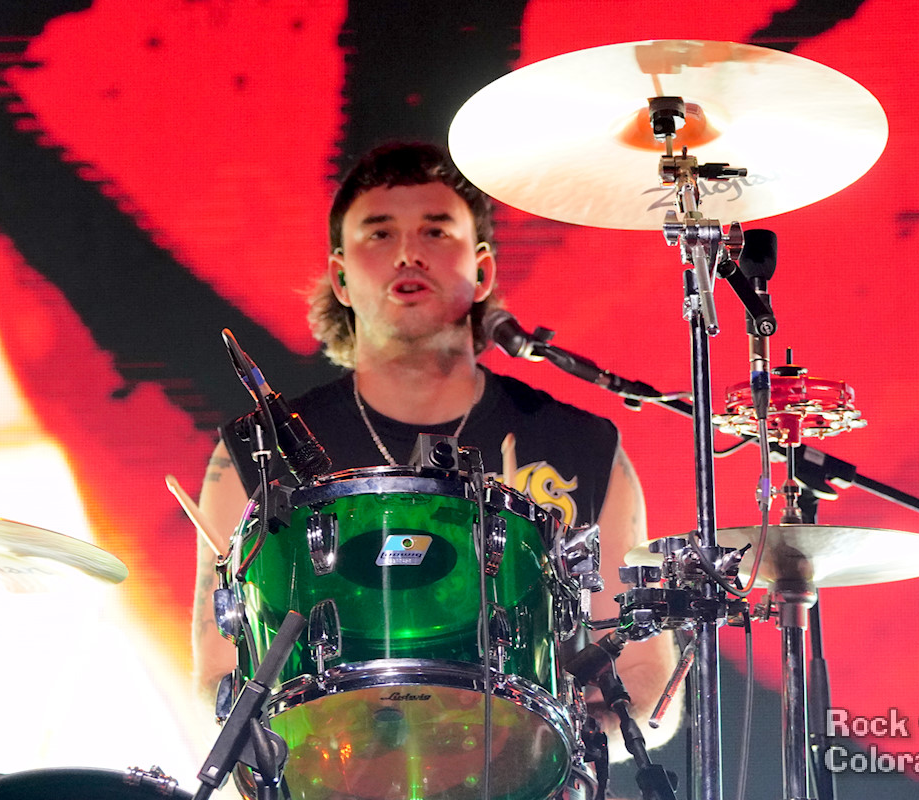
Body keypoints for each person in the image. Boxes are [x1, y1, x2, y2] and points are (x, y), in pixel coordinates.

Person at [193, 142, 680, 762]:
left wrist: (544, 750)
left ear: (484, 271)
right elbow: (219, 674)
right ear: (340, 278)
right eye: (379, 233)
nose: (408, 253)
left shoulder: (581, 445)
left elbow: (642, 675)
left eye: (435, 230)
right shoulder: (261, 452)